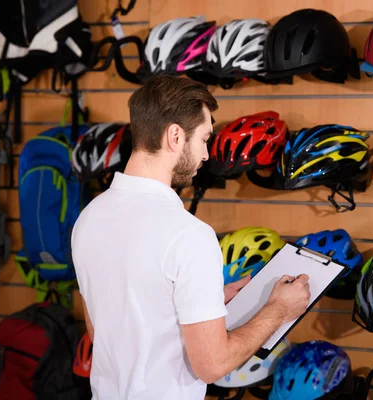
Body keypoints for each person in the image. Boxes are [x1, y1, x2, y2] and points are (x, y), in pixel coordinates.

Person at [71, 75, 311, 400]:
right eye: (203, 139)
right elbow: (212, 365)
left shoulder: (89, 218)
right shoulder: (189, 235)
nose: (207, 155)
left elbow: (105, 329)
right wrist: (279, 310)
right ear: (174, 136)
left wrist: (200, 299)